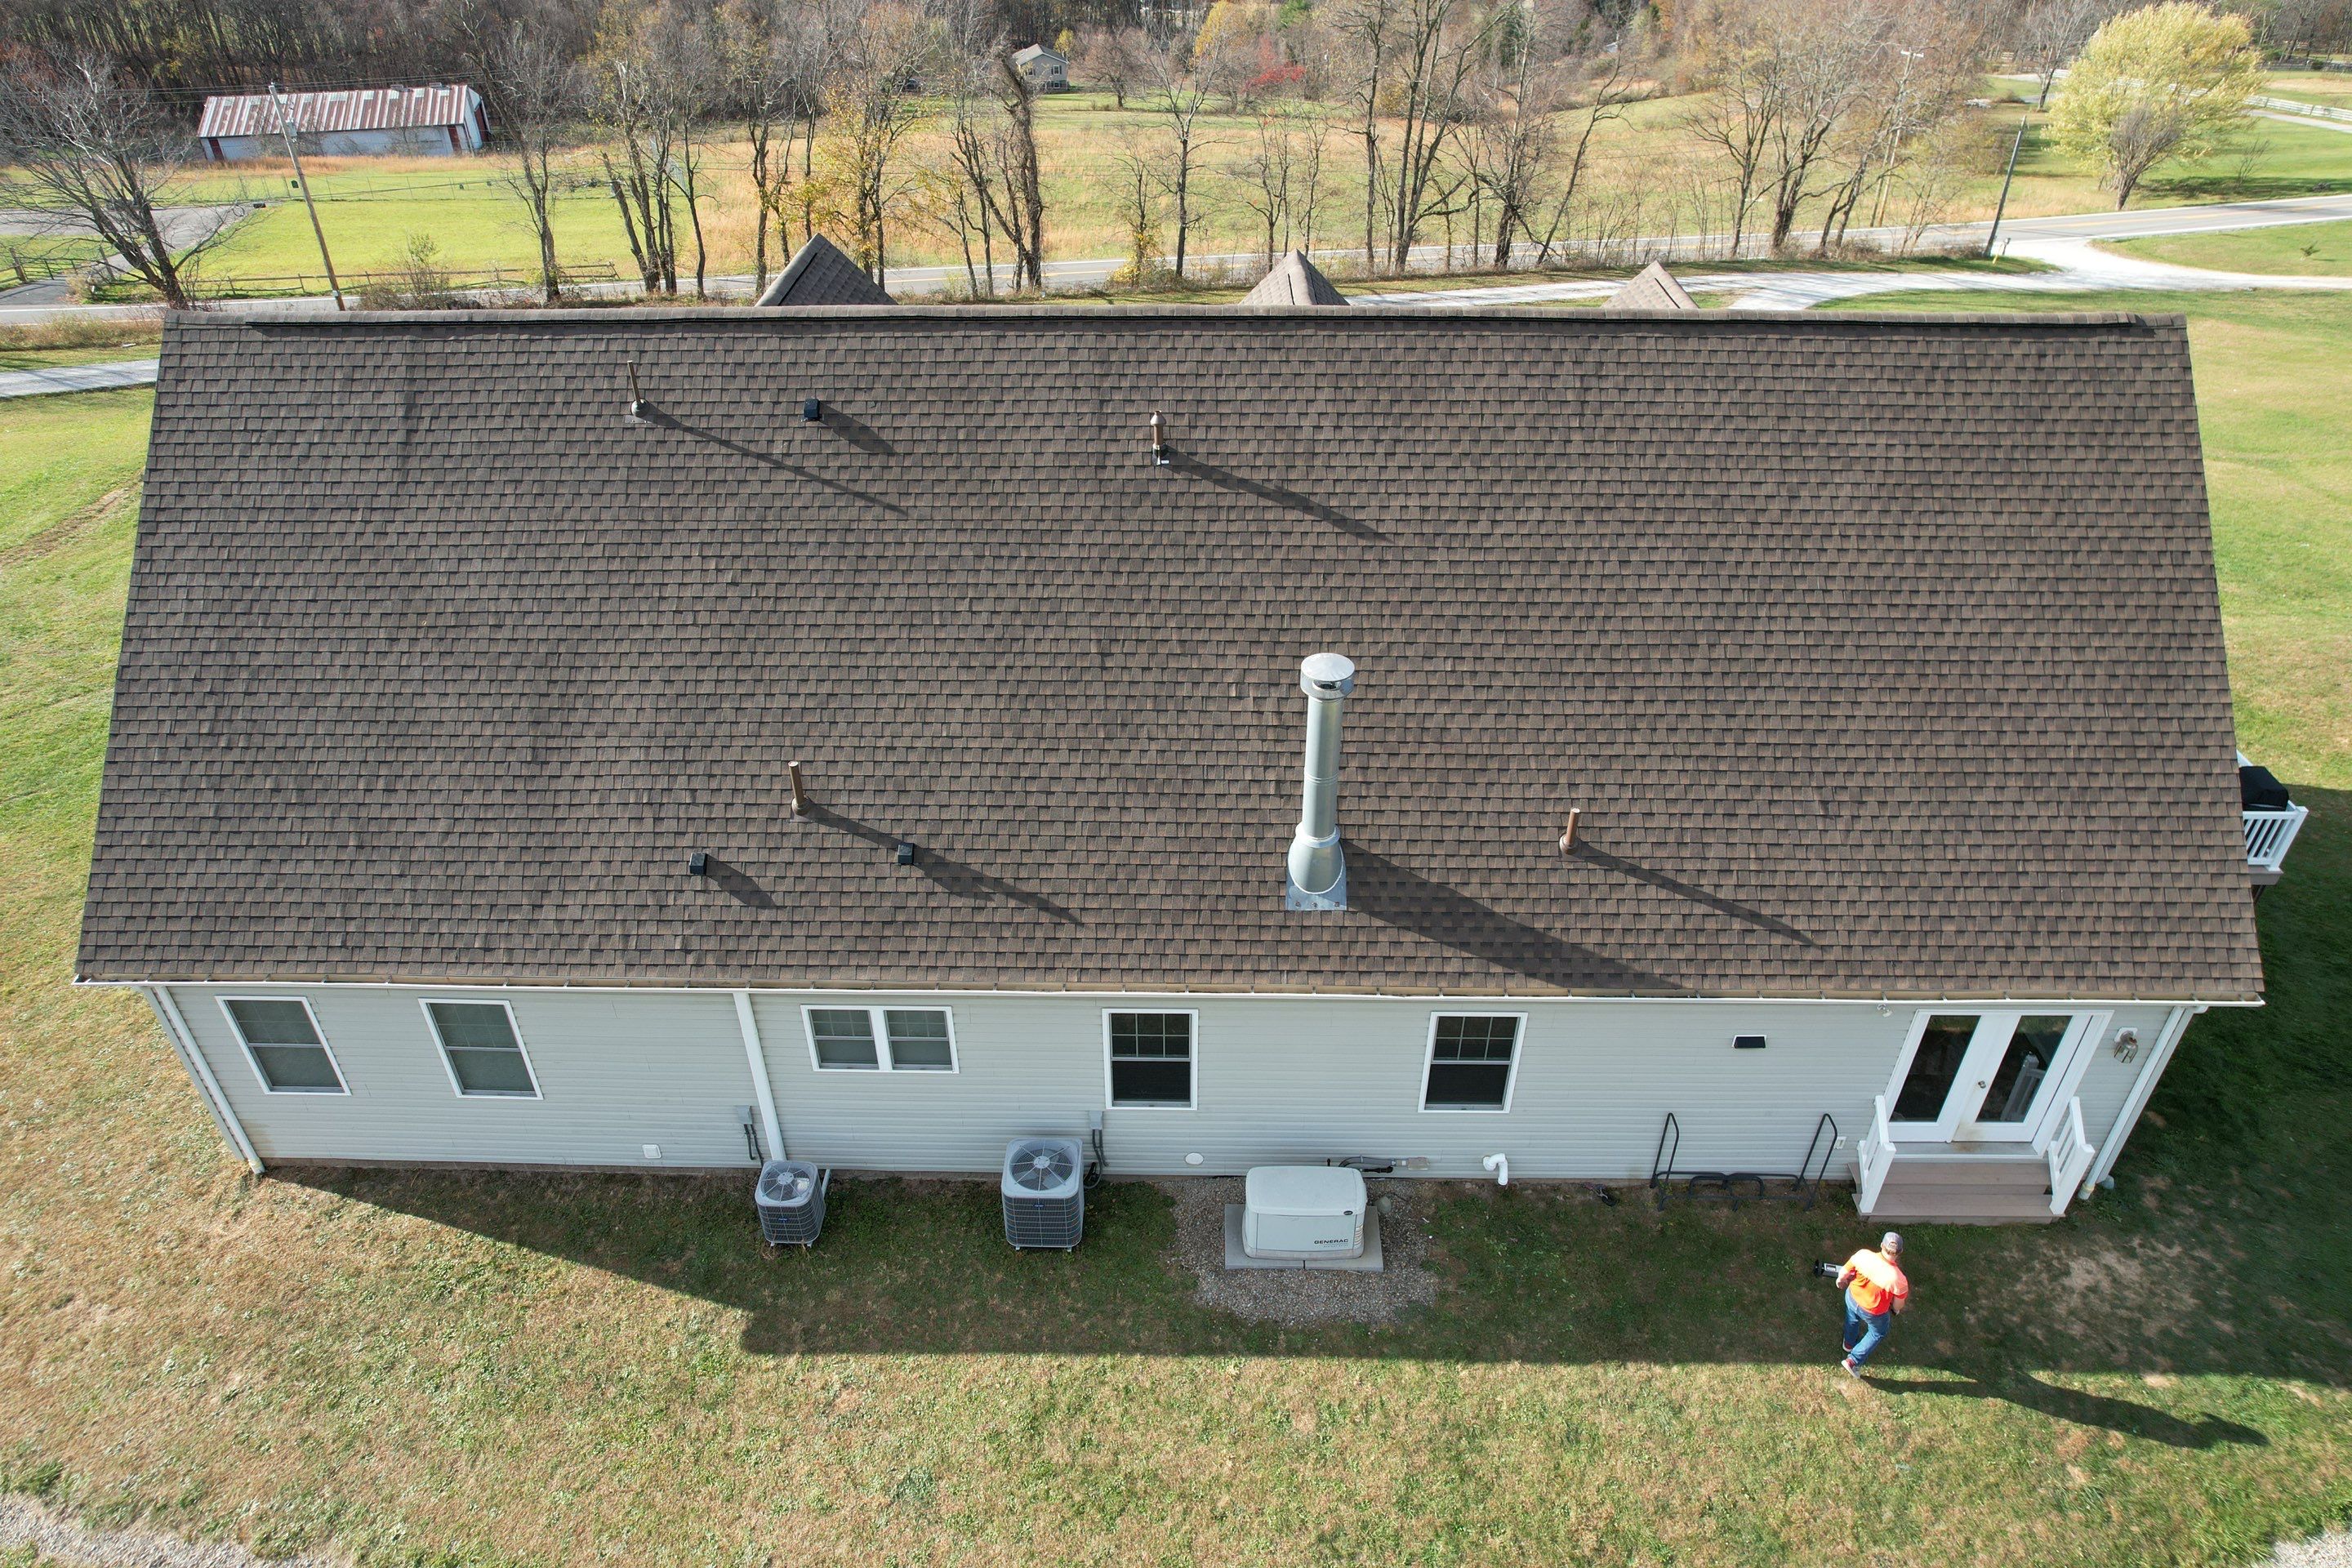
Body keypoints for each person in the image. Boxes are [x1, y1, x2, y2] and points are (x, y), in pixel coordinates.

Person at [1836, 1232, 1909, 1376]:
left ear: (1882, 1245)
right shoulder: (1899, 1279)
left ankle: (1849, 1343)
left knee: (1852, 1318)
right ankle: (1853, 1361)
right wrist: (1895, 1309)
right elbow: (1897, 1306)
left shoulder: (1863, 1255)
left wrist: (1840, 1281)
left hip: (1852, 1297)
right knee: (1878, 1332)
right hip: (1874, 1311)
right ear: (1900, 1252)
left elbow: (1844, 1272)